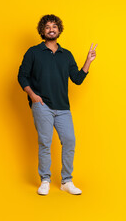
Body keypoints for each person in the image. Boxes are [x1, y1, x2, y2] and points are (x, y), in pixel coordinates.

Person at [17, 14, 97, 195]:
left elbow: (76, 79)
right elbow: (22, 75)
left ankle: (66, 181)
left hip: (63, 108)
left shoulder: (66, 55)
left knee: (69, 141)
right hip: (42, 104)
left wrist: (88, 62)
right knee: (45, 142)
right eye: (47, 27)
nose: (51, 29)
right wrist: (32, 95)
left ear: (59, 30)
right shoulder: (33, 52)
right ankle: (45, 179)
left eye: (54, 26)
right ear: (42, 31)